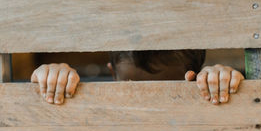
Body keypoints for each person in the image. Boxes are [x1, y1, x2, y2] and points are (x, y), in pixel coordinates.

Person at [31, 50, 244, 105]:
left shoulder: (203, 88)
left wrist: (218, 80)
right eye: (132, 86)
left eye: (166, 89)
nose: (147, 100)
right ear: (113, 74)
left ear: (194, 78)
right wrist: (54, 77)